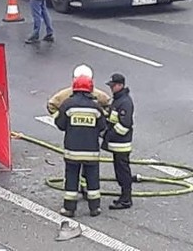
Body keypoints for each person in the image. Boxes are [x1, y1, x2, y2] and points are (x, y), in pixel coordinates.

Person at [54, 75, 107, 218]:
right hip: (91, 151)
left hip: (72, 151)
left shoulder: (68, 105)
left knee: (71, 178)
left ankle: (69, 209)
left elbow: (60, 124)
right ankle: (94, 208)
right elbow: (103, 127)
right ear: (90, 89)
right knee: (92, 179)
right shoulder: (95, 107)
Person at [103, 73, 134, 210]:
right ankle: (123, 197)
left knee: (123, 172)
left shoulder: (125, 102)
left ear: (120, 85)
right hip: (117, 144)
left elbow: (125, 125)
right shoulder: (118, 100)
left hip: (121, 144)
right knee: (119, 172)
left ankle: (126, 199)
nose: (111, 88)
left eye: (113, 86)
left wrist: (108, 134)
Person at [47, 64, 111, 117]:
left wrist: (61, 118)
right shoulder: (99, 95)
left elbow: (52, 105)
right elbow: (108, 106)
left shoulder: (65, 94)